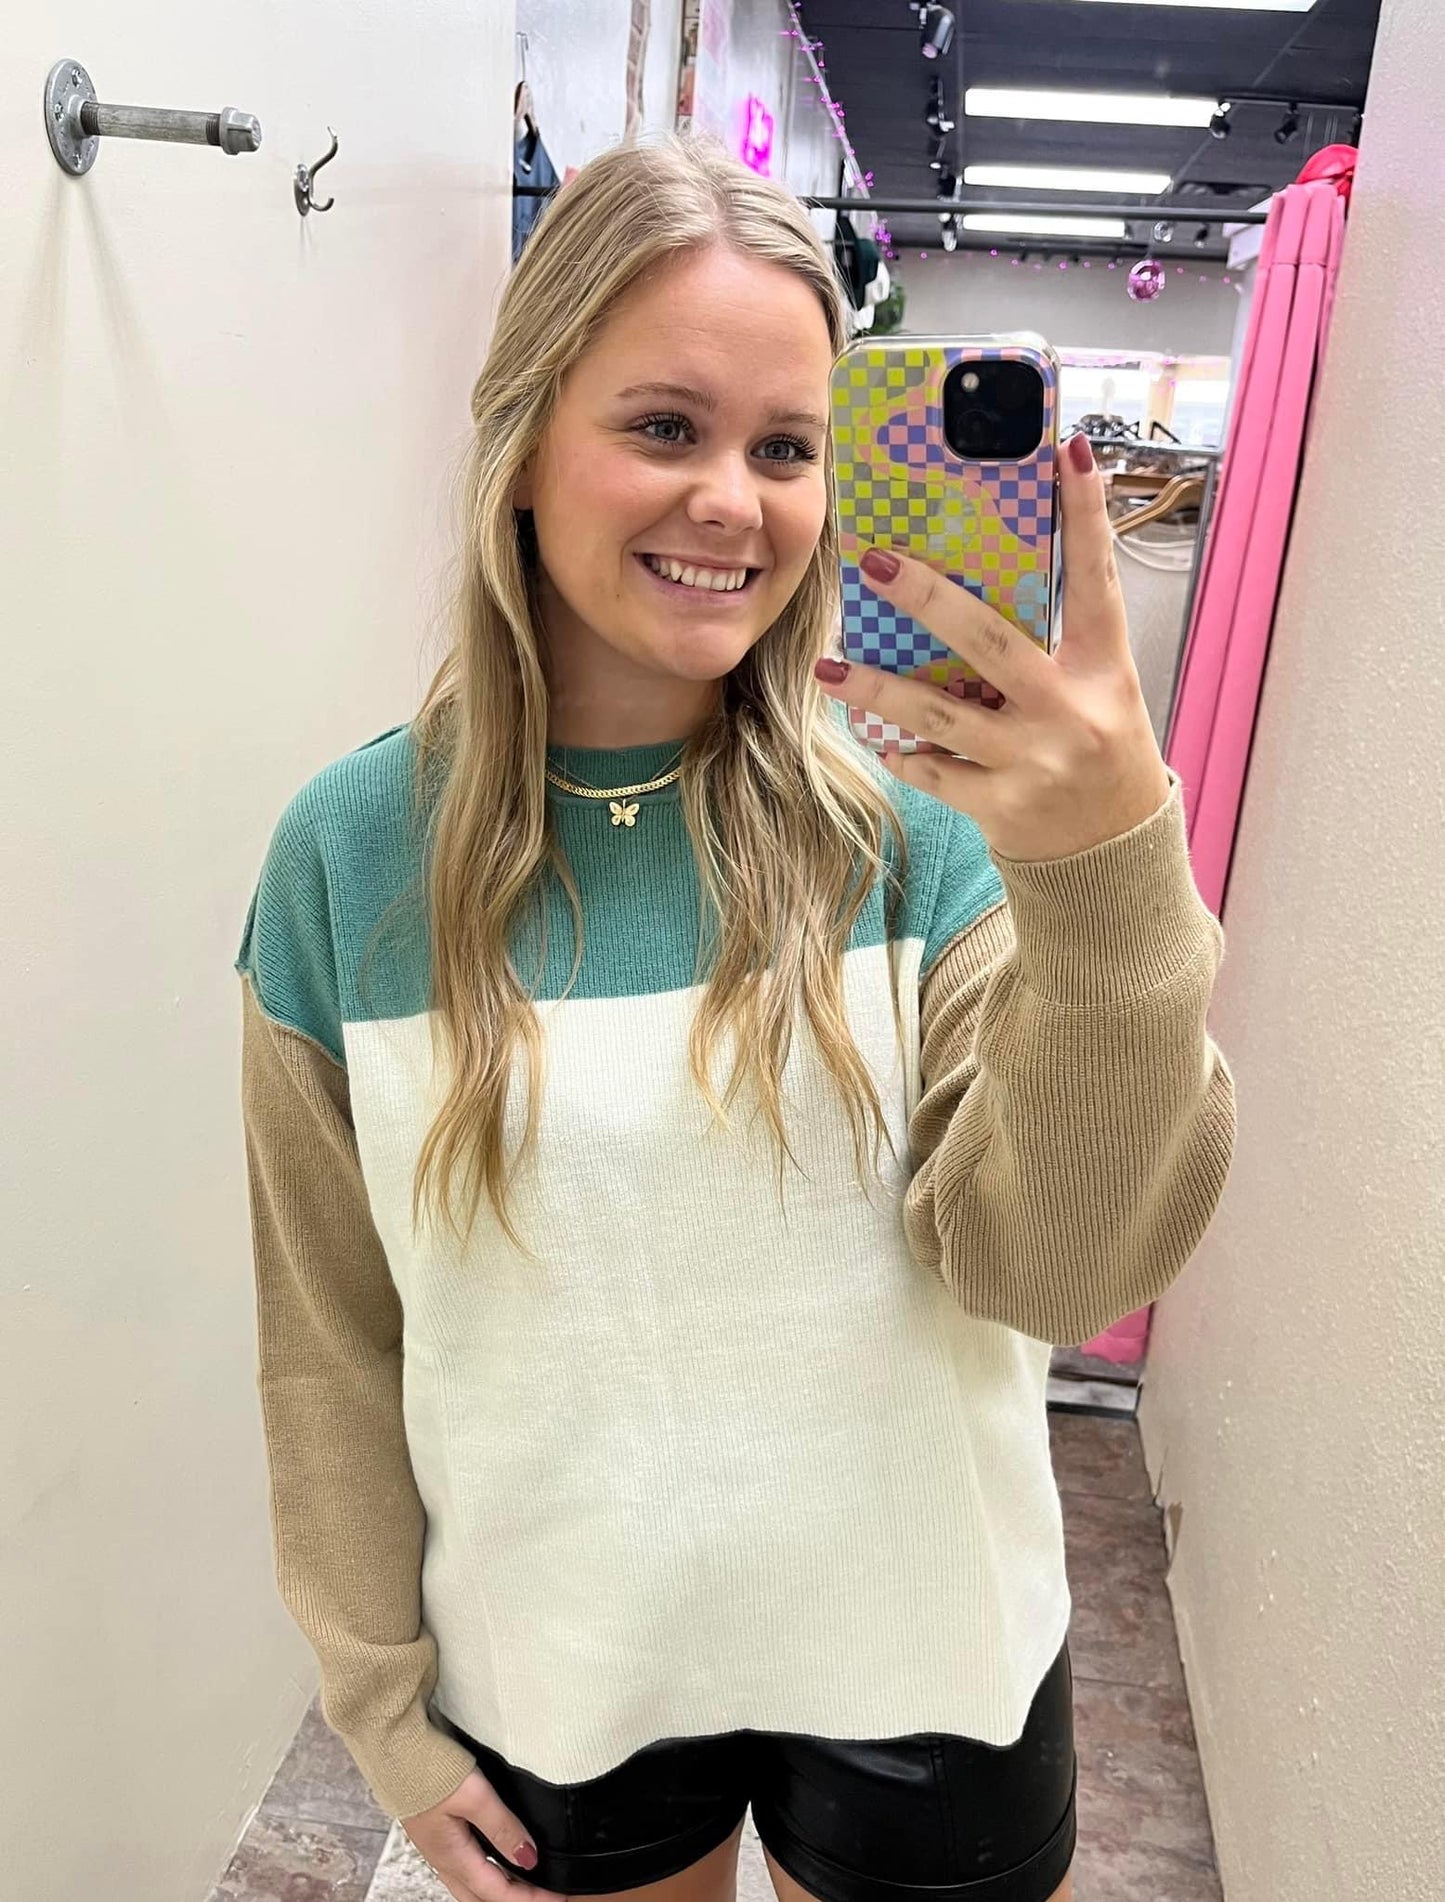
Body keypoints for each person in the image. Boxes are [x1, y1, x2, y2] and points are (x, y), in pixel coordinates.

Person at [235, 131, 1235, 1902]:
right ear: (523, 442)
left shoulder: (922, 815)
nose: (734, 502)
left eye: (787, 447)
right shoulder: (351, 853)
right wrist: (377, 1696)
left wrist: (1106, 874)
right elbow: (330, 1332)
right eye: (664, 426)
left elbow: (1057, 1267)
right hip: (562, 1652)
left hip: (927, 1644)